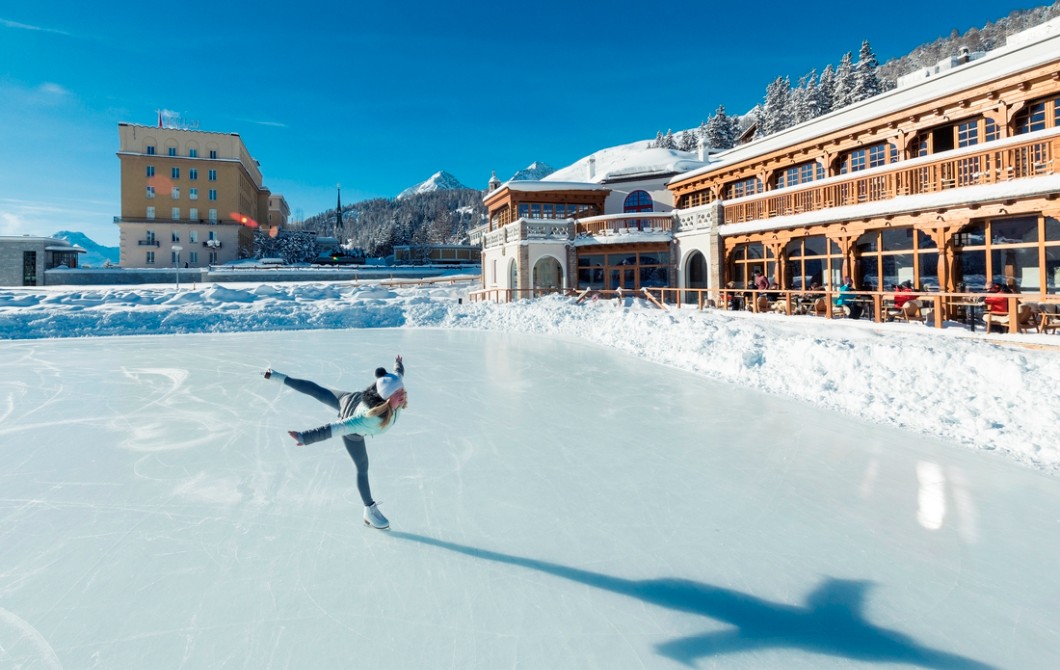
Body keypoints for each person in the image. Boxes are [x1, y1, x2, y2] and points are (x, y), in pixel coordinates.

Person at [264, 356, 407, 529]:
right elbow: (335, 428)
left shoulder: (394, 391)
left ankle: (277, 376)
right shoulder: (366, 420)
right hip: (352, 421)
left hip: (354, 398)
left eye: (402, 391)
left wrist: (398, 364)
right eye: (397, 393)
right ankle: (369, 510)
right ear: (385, 398)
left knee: (319, 392)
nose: (402, 395)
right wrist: (305, 437)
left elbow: (397, 374)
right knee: (362, 467)